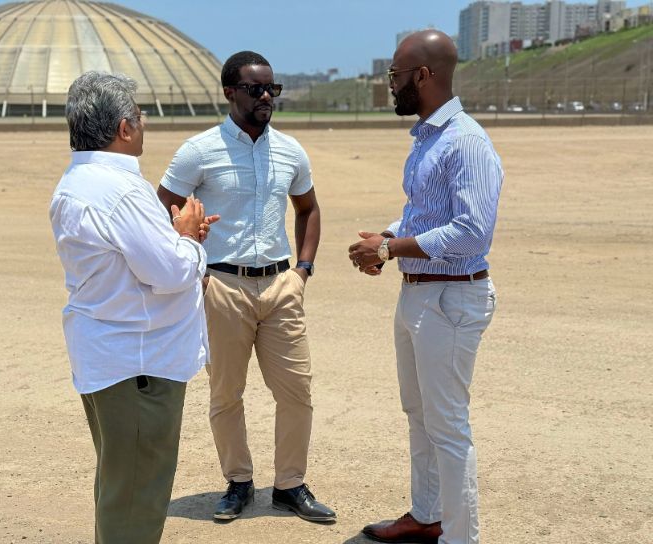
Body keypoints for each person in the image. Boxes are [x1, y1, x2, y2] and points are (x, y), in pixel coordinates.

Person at [157, 51, 335, 523]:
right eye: (255, 89)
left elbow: (308, 208)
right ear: (229, 92)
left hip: (281, 286)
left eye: (272, 89)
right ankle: (238, 483)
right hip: (222, 287)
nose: (266, 97)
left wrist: (304, 269)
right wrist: (188, 262)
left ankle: (290, 486)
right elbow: (162, 207)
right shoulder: (199, 150)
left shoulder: (291, 150)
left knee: (297, 390)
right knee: (226, 394)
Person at [347, 31, 503, 544]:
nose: (389, 84)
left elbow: (472, 232)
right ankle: (428, 515)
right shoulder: (428, 139)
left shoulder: (467, 141)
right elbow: (426, 215)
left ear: (424, 75)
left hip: (451, 299)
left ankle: (461, 538)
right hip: (419, 293)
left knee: (448, 427)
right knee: (419, 415)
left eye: (395, 75)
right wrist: (389, 236)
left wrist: (391, 250)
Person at [49, 71, 218, 544]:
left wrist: (179, 239)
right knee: (137, 499)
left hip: (112, 358)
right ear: (124, 128)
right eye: (140, 118)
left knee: (121, 486)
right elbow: (170, 273)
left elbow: (134, 262)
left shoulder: (79, 181)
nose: (144, 126)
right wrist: (185, 237)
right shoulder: (122, 191)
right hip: (140, 367)